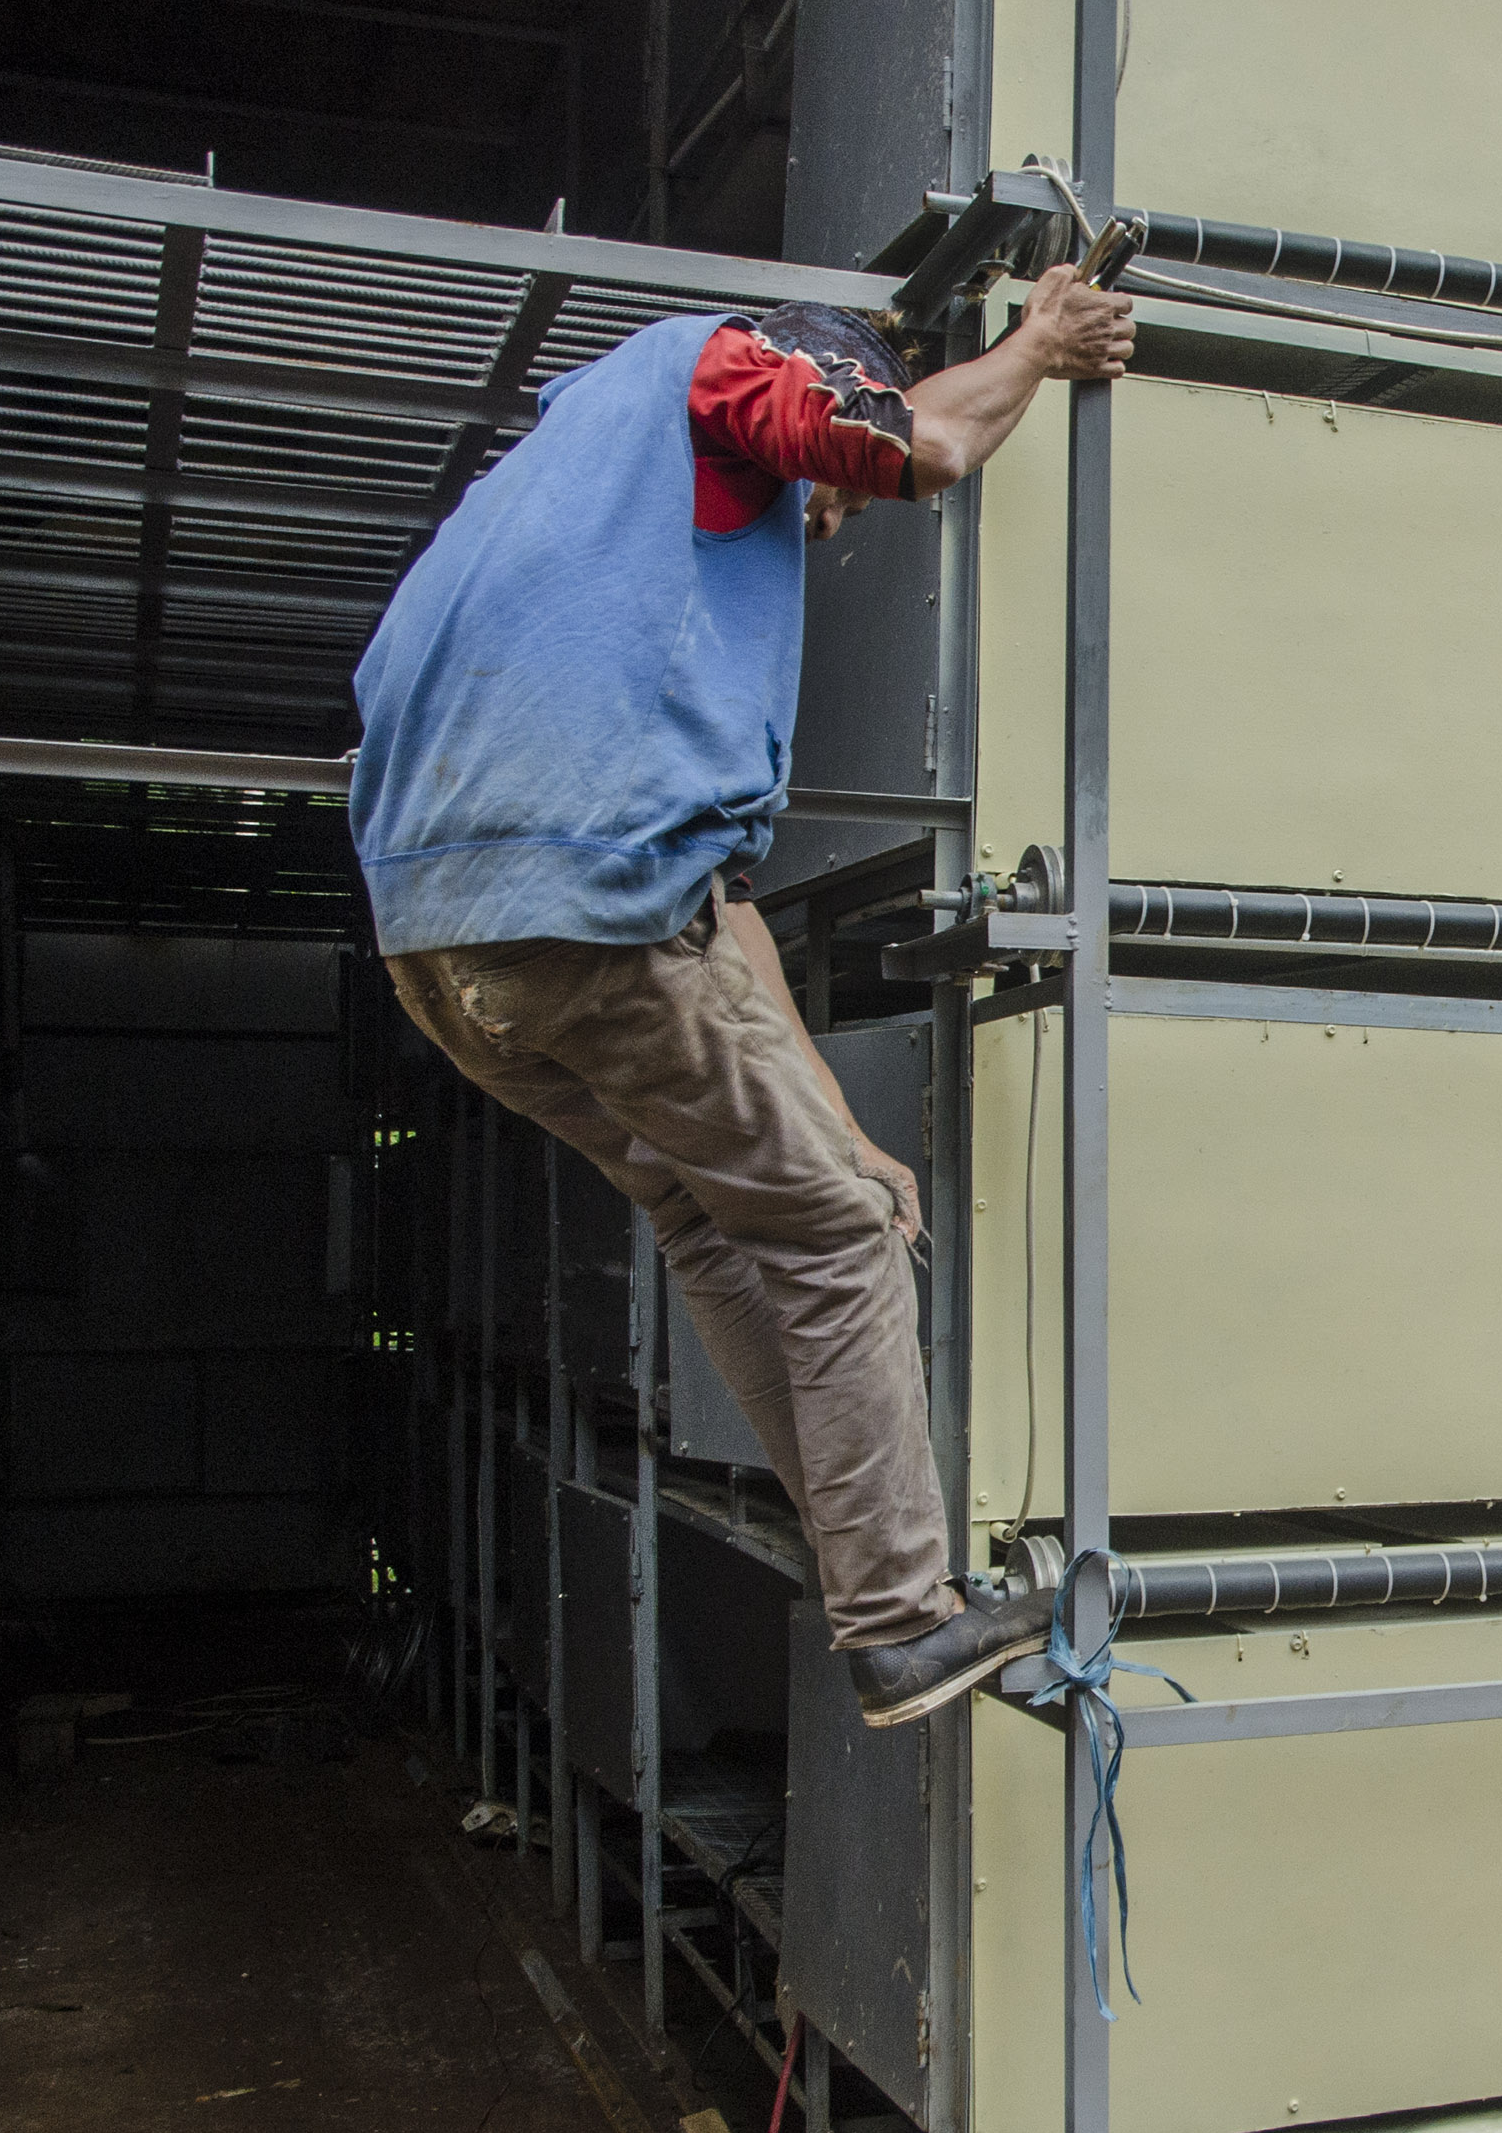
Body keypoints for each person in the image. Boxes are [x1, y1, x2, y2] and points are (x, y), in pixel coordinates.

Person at [350, 270, 1134, 1725]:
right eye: (820, 502)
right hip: (585, 909)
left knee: (716, 1209)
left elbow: (722, 927)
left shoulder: (573, 519)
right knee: (835, 1238)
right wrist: (1042, 344)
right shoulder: (713, 374)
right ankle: (900, 1611)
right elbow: (923, 444)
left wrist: (843, 1125)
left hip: (451, 949)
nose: (819, 523)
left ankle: (861, 1545)